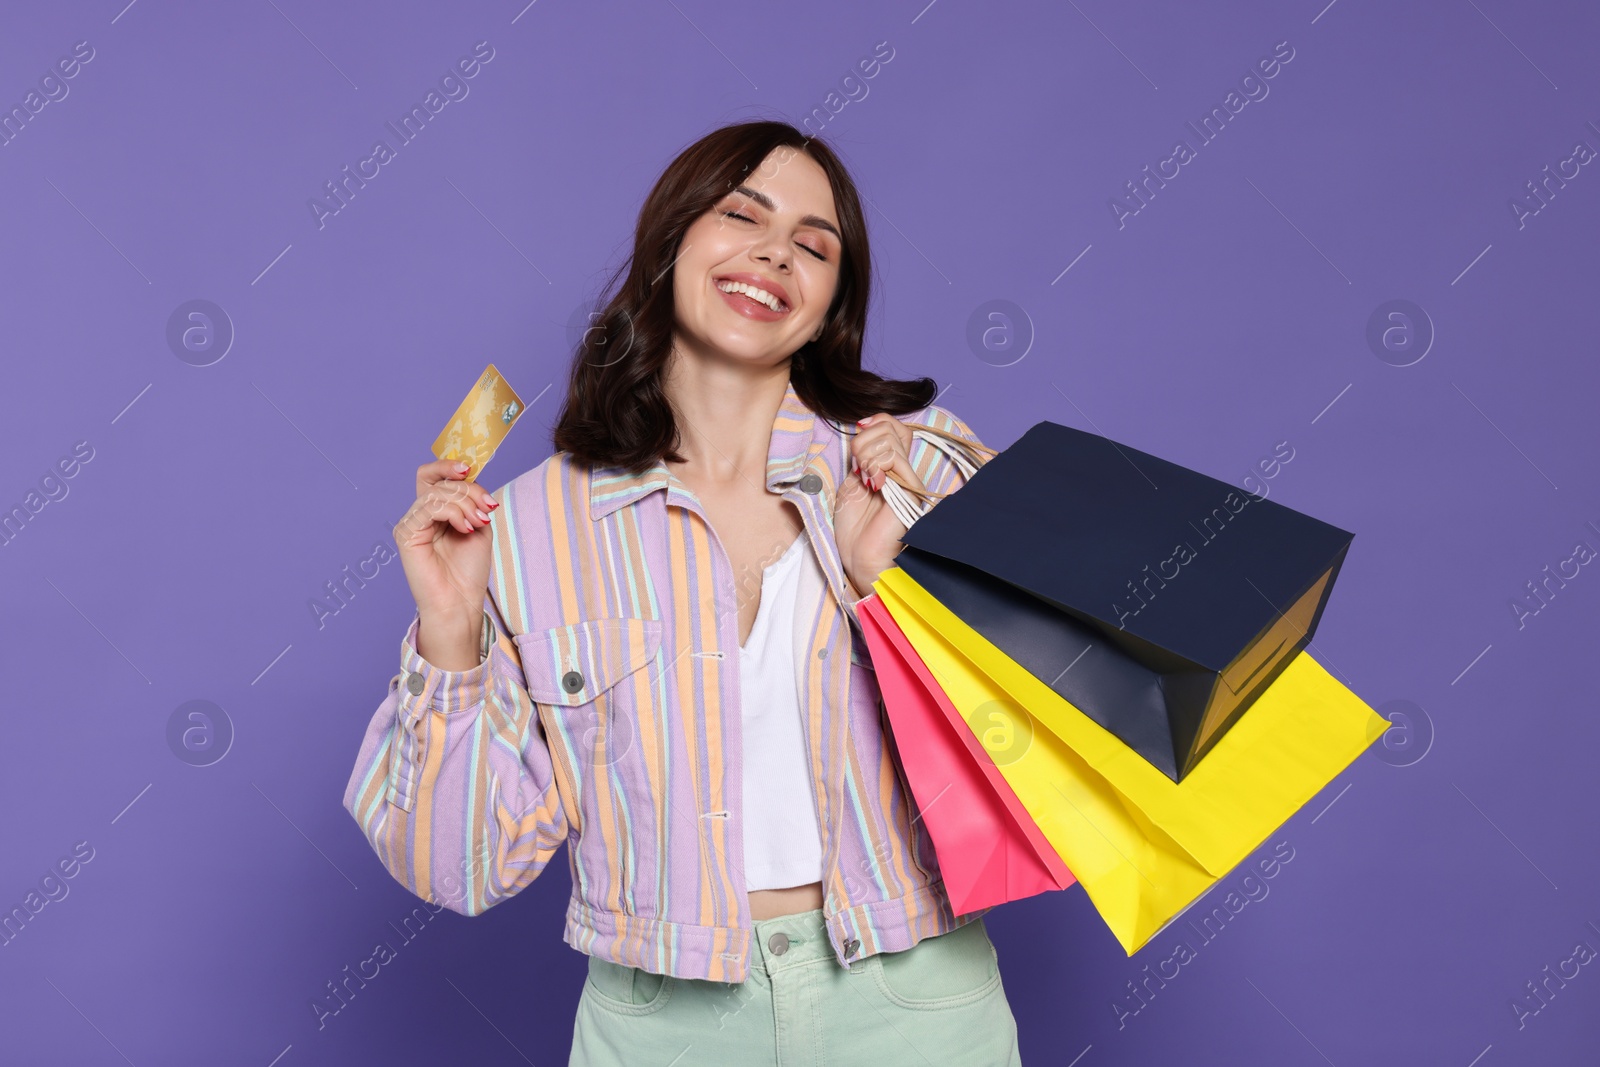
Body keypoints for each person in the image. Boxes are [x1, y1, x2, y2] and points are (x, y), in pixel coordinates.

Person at [343, 120, 1023, 1065]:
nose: (775, 251)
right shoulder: (530, 527)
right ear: (670, 249)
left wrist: (889, 586)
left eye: (814, 245)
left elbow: (1046, 733)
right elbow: (457, 866)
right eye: (742, 214)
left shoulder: (914, 469)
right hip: (662, 1026)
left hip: (913, 1005)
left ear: (829, 306)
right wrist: (450, 634)